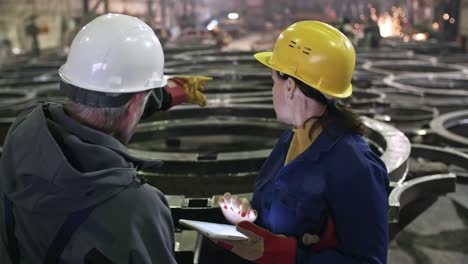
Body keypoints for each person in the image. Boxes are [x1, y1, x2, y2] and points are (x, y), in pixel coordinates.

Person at [0, 14, 210, 264]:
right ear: (135, 103)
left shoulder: (22, 133)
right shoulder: (137, 208)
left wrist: (163, 95)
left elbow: (100, 100)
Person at [216, 21, 389, 263]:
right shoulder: (292, 139)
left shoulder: (355, 166)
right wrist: (246, 218)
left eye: (273, 81)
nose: (272, 91)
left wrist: (291, 255)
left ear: (289, 86)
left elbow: (369, 260)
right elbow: (275, 212)